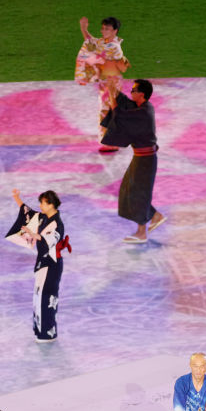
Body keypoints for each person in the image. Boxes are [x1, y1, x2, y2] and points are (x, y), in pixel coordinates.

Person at [101, 78, 166, 243]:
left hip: (146, 159)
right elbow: (125, 106)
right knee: (129, 190)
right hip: (141, 157)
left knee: (139, 193)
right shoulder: (141, 108)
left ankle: (141, 232)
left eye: (134, 90)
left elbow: (121, 115)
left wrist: (111, 94)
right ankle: (155, 215)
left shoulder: (145, 111)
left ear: (141, 94)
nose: (131, 93)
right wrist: (114, 90)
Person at [6, 189, 71, 341]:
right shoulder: (43, 218)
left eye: (43, 203)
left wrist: (34, 234)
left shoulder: (57, 223)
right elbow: (28, 213)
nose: (40, 206)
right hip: (43, 263)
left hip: (51, 264)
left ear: (51, 204)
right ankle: (42, 331)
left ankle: (47, 333)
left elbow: (49, 239)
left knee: (46, 297)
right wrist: (17, 198)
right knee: (39, 297)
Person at [75, 16, 131, 152]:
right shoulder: (107, 43)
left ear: (115, 31)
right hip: (109, 80)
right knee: (109, 109)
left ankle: (111, 141)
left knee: (108, 110)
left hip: (111, 81)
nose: (103, 31)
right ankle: (112, 139)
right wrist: (84, 29)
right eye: (103, 28)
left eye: (107, 29)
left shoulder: (112, 46)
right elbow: (92, 43)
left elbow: (92, 46)